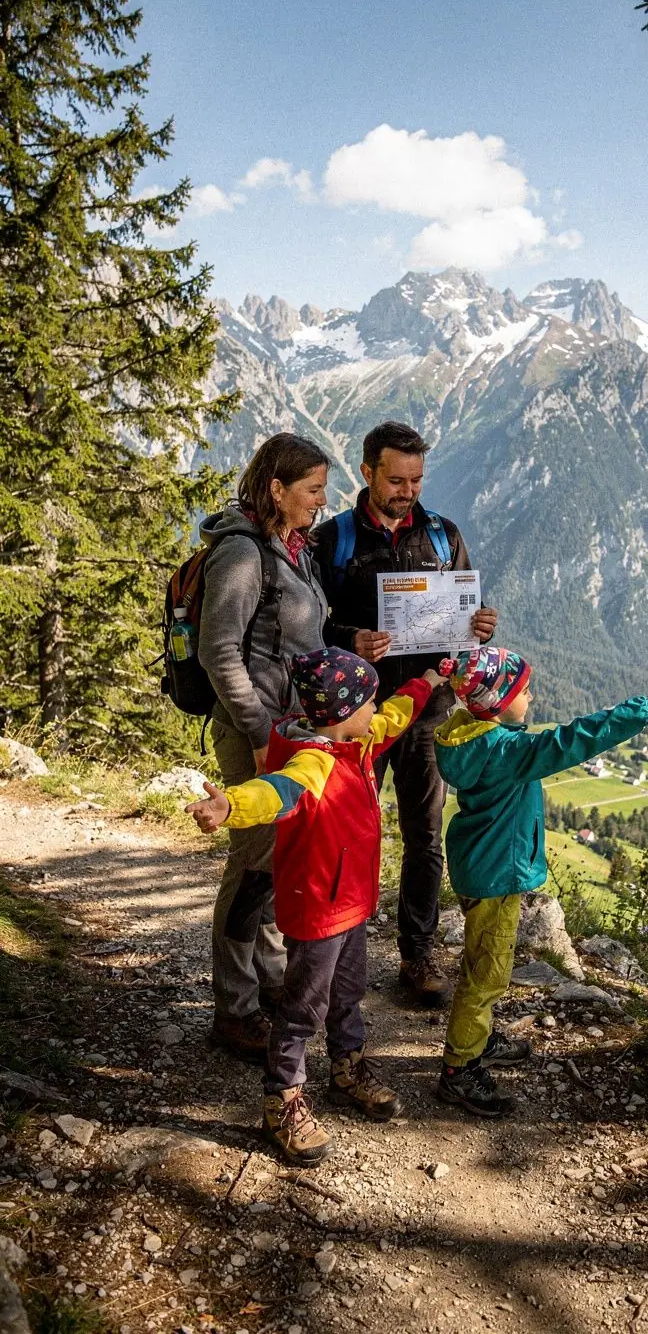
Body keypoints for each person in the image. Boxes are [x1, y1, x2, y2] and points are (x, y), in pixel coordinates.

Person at [186, 646, 445, 1166]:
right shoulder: (312, 762)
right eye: (368, 702)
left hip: (349, 904)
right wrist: (230, 806)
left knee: (348, 993)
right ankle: (281, 1098)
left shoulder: (355, 741)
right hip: (319, 911)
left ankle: (347, 1069)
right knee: (304, 1006)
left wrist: (426, 683)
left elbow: (393, 715)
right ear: (344, 712)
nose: (376, 710)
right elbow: (274, 792)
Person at [433, 645, 648, 1117]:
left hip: (479, 865)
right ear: (497, 703)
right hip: (496, 875)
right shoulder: (507, 751)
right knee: (486, 974)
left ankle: (477, 1040)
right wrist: (644, 709)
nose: (532, 696)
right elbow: (573, 740)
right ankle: (460, 1069)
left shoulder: (468, 735)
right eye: (525, 690)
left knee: (483, 959)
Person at [314, 421, 498, 1005]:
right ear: (367, 472)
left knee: (424, 836)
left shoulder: (443, 536)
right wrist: (350, 638)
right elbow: (308, 627)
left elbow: (466, 615)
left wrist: (481, 625)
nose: (408, 491)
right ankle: (336, 949)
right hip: (358, 715)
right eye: (396, 480)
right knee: (346, 835)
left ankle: (417, 954)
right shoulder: (332, 540)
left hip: (427, 712)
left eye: (416, 480)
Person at [197, 433, 331, 1062]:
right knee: (252, 865)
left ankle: (270, 979)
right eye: (312, 490)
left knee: (276, 864)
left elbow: (294, 638)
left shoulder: (291, 549)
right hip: (255, 731)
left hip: (288, 729)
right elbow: (218, 651)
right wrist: (258, 734)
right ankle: (235, 1008)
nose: (321, 501)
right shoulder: (243, 553)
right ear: (276, 489)